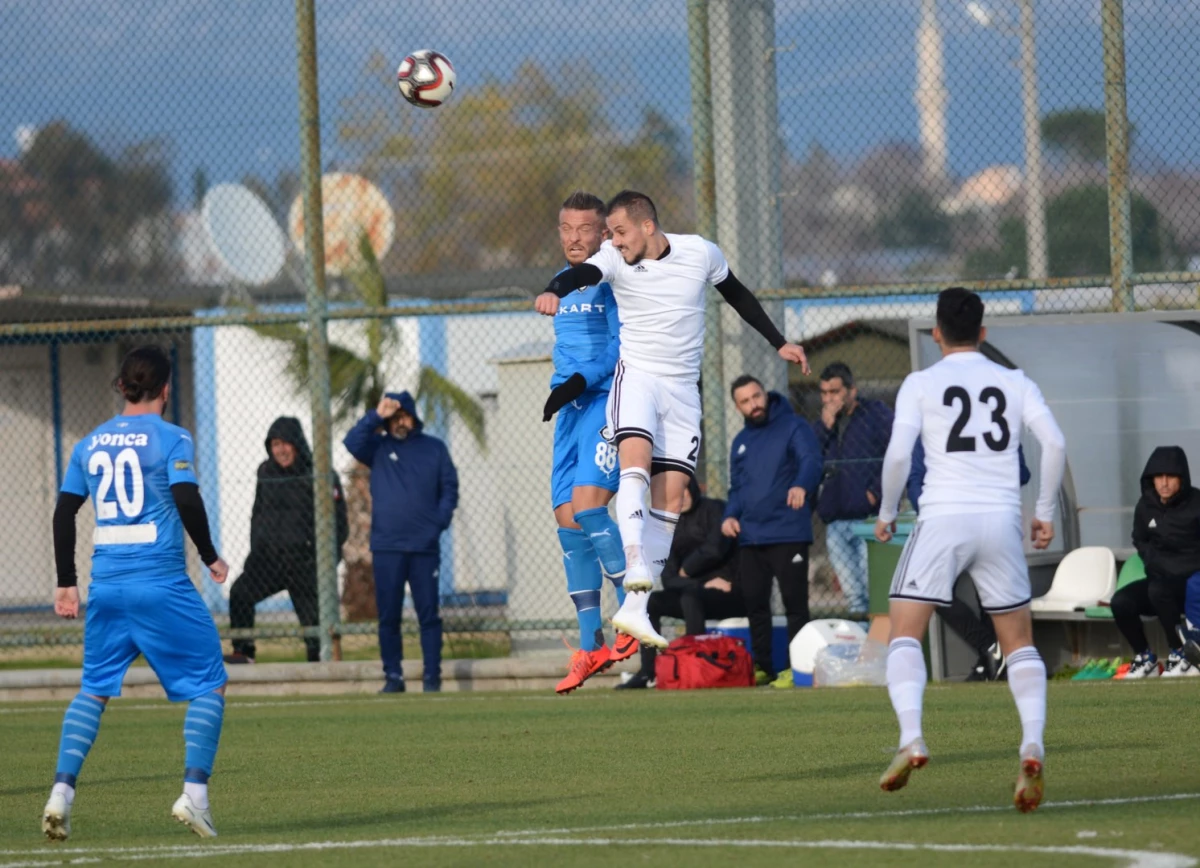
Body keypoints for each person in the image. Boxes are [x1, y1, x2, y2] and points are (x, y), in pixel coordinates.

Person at [536, 190, 810, 649]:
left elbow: (737, 293)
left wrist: (778, 342)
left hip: (684, 390)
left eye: (620, 233)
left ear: (646, 226)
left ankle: (636, 611)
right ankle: (633, 567)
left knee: (670, 501)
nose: (613, 242)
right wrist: (552, 288)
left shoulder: (700, 252)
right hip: (637, 379)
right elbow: (581, 272)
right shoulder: (612, 260)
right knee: (634, 469)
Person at [873, 287, 1066, 813]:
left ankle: (911, 736)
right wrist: (1043, 511)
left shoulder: (921, 383)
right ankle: (1031, 744)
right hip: (1001, 520)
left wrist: (888, 512)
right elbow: (1054, 443)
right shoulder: (1013, 380)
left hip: (943, 517)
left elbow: (896, 455)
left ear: (936, 332)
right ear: (983, 333)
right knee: (1019, 642)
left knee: (905, 631)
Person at [42, 345, 230, 840]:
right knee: (211, 681)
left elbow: (64, 513)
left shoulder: (89, 443)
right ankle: (195, 797)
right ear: (165, 389)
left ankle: (60, 792)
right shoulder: (173, 438)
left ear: (122, 388)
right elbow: (187, 498)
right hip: (161, 582)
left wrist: (67, 582)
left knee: (94, 689)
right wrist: (211, 557)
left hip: (106, 586)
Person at [539, 192, 639, 695]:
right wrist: (564, 391)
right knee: (565, 516)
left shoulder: (610, 280)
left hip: (602, 401)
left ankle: (632, 614)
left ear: (604, 233)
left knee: (588, 505)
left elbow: (621, 351)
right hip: (570, 411)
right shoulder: (563, 284)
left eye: (585, 229)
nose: (574, 237)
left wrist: (580, 382)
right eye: (566, 228)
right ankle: (591, 644)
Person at [343, 391, 458, 694]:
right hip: (387, 547)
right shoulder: (378, 448)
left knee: (428, 615)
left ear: (412, 416)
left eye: (402, 415)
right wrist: (376, 415)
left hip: (424, 548)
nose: (399, 422)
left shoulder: (434, 449)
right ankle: (393, 676)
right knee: (389, 616)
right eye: (392, 418)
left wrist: (437, 523)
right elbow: (351, 441)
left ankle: (432, 677)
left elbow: (449, 487)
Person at [720, 375, 823, 684]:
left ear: (765, 393)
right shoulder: (740, 442)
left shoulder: (794, 427)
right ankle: (763, 668)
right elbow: (736, 489)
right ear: (737, 407)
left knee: (795, 606)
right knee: (756, 605)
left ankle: (798, 669)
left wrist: (801, 486)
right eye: (746, 401)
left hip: (788, 532)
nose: (754, 404)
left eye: (756, 396)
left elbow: (811, 461)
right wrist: (729, 516)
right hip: (751, 537)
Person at [225, 417, 348, 664]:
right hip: (270, 562)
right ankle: (244, 652)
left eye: (286, 443)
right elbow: (257, 514)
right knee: (239, 593)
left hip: (306, 563)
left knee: (314, 623)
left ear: (297, 444)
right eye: (275, 444)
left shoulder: (320, 473)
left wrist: (324, 562)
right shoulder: (265, 472)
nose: (280, 450)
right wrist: (256, 553)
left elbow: (340, 524)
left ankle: (319, 662)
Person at [908, 439, 1031, 682]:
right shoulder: (931, 427)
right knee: (932, 590)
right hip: (950, 523)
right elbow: (914, 479)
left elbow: (1020, 471)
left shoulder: (998, 422)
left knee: (991, 595)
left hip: (989, 520)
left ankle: (991, 664)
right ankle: (990, 649)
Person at [617, 478, 743, 688]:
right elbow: (669, 578)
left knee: (690, 598)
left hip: (728, 592)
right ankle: (647, 673)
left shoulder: (714, 510)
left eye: (684, 491)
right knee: (651, 602)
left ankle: (695, 663)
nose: (681, 497)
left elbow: (715, 548)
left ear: (693, 488)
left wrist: (688, 569)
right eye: (675, 493)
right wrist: (699, 585)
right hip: (693, 592)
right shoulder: (667, 524)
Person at [812, 362, 894, 616]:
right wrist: (825, 426)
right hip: (835, 520)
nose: (829, 399)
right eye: (824, 393)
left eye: (835, 392)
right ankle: (864, 647)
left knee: (874, 590)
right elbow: (811, 459)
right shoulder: (823, 425)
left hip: (869, 518)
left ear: (852, 391)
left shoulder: (875, 414)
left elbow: (896, 453)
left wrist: (875, 492)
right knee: (853, 596)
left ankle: (882, 645)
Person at [1112, 446, 1200, 678]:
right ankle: (1145, 658)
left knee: (1158, 589)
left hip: (1190, 585)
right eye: (1158, 477)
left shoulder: (1197, 503)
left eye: (1170, 476)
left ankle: (1182, 653)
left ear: (1182, 477)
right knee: (1121, 602)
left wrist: (1179, 566)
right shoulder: (1145, 506)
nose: (1164, 482)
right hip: (1159, 581)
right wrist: (1154, 561)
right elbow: (1139, 539)